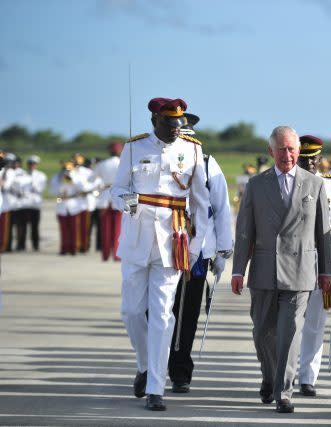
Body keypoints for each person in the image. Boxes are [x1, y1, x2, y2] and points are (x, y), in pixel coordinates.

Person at [111, 97, 209, 411]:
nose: (174, 131)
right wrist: (128, 204)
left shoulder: (192, 149)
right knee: (131, 311)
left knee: (163, 315)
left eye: (178, 125)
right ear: (155, 120)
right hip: (137, 236)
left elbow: (202, 202)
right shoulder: (134, 148)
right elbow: (116, 188)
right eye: (169, 125)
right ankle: (144, 365)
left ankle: (156, 386)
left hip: (173, 238)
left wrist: (197, 245)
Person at [231, 125, 331, 414]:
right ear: (270, 151)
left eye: (291, 149)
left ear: (298, 151)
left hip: (300, 270)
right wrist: (238, 269)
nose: (287, 155)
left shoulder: (314, 184)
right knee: (262, 332)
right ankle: (269, 377)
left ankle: (284, 392)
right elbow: (244, 232)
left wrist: (326, 271)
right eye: (281, 149)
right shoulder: (256, 184)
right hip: (264, 270)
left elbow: (322, 231)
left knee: (289, 332)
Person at [168, 113, 234, 393]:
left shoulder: (207, 162)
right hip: (163, 247)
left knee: (187, 313)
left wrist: (222, 250)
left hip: (198, 250)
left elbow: (221, 208)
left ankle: (180, 371)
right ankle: (153, 366)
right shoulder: (163, 161)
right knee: (158, 312)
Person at [296, 134, 331, 397]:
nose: (309, 163)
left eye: (314, 158)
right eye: (304, 158)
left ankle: (308, 377)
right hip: (292, 259)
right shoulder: (286, 181)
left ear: (322, 159)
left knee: (315, 323)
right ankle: (285, 373)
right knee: (287, 321)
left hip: (322, 261)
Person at [49, 160, 91, 255]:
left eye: (68, 169)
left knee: (74, 228)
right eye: (65, 168)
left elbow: (84, 188)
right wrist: (60, 184)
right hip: (62, 204)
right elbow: (52, 191)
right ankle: (64, 248)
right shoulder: (57, 177)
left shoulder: (77, 177)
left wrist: (72, 181)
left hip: (74, 204)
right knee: (63, 229)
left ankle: (74, 248)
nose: (66, 171)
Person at [93, 142, 123, 261]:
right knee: (119, 229)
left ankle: (105, 254)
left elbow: (92, 178)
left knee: (105, 228)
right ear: (120, 151)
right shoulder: (124, 162)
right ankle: (116, 254)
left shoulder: (102, 164)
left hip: (105, 196)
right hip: (119, 195)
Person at [12, 155, 46, 251]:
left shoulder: (41, 175)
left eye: (33, 164)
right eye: (30, 163)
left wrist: (33, 182)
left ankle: (35, 246)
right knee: (21, 226)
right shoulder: (22, 174)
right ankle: (21, 245)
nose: (31, 165)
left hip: (35, 204)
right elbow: (16, 187)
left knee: (34, 227)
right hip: (23, 204)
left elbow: (40, 189)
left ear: (37, 165)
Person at [72, 153, 100, 253]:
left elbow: (97, 182)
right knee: (75, 225)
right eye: (74, 159)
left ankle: (85, 245)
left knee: (86, 226)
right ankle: (75, 245)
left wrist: (86, 190)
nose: (76, 161)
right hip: (74, 201)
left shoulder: (88, 172)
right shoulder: (70, 172)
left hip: (86, 200)